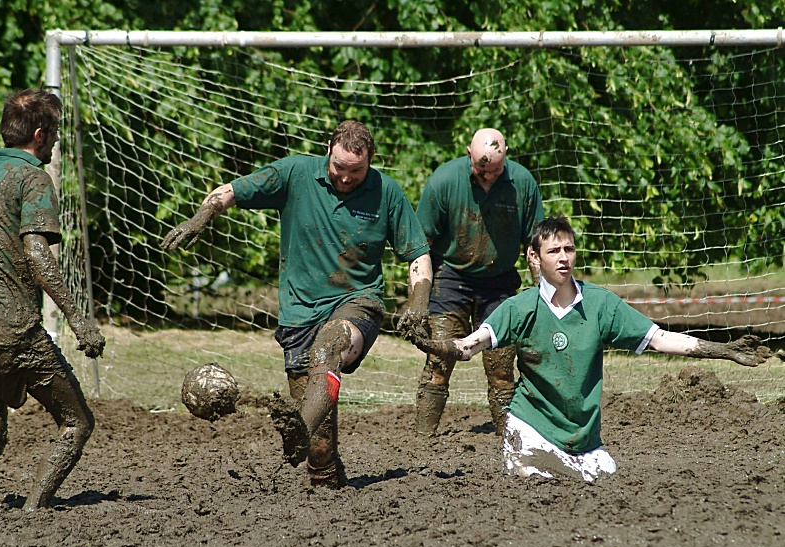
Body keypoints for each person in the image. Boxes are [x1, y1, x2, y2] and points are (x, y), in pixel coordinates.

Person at [162, 120, 432, 489]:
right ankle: (327, 486)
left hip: (357, 303)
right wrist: (202, 217)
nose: (347, 177)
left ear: (370, 161)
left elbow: (418, 254)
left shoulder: (387, 192)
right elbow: (231, 191)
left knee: (329, 347)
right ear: (328, 150)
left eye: (357, 170)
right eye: (339, 167)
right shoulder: (295, 173)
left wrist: (418, 304)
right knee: (318, 446)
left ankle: (299, 430)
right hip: (299, 315)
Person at [406, 216, 771, 482]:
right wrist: (431, 343)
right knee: (539, 491)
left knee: (606, 479)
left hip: (584, 439)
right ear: (535, 258)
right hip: (530, 431)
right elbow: (470, 346)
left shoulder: (600, 304)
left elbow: (660, 338)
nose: (564, 257)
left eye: (569, 248)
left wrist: (725, 350)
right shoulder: (518, 308)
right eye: (554, 251)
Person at [0, 89, 106, 519]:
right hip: (13, 328)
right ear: (41, 135)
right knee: (77, 421)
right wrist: (79, 320)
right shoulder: (31, 178)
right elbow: (37, 255)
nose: (55, 143)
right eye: (57, 134)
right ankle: (35, 509)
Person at [414, 127, 544, 436]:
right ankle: (421, 440)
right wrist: (418, 300)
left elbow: (536, 247)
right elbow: (422, 245)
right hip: (451, 279)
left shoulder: (523, 184)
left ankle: (508, 436)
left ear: (506, 155)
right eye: (480, 170)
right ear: (469, 154)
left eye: (495, 171)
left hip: (499, 285)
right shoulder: (444, 181)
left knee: (501, 368)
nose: (487, 177)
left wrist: (545, 296)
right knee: (439, 361)